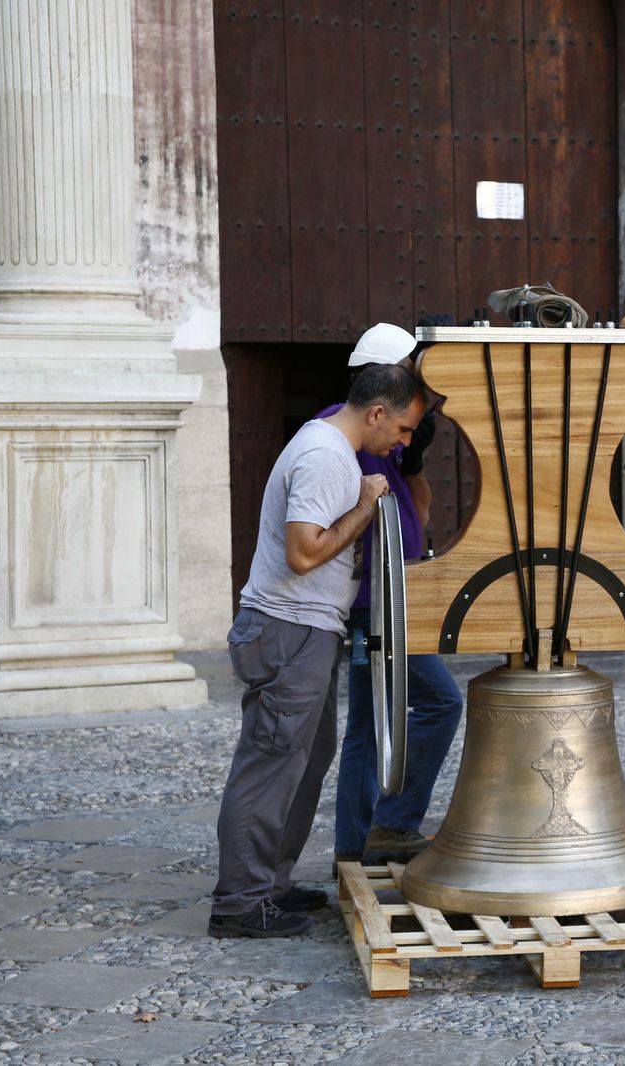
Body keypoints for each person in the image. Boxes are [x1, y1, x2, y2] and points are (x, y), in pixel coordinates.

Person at [209, 359, 426, 938]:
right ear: (376, 413)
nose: (402, 442)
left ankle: (270, 885)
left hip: (304, 630)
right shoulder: (328, 456)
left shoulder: (331, 450)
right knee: (271, 765)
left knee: (304, 759)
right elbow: (304, 553)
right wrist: (363, 506)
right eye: (402, 429)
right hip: (288, 628)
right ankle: (240, 904)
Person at [325, 319, 465, 869]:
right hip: (377, 598)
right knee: (440, 701)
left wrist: (413, 462)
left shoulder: (393, 437)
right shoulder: (339, 434)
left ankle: (352, 847)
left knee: (366, 722)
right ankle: (394, 823)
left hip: (393, 588)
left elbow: (419, 504)